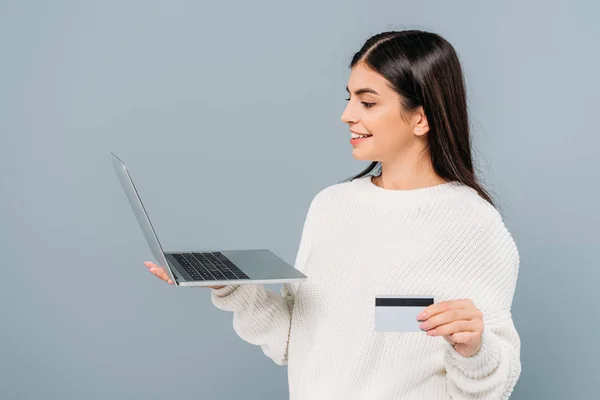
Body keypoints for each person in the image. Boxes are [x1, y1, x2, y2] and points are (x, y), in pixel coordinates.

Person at [144, 29, 521, 400]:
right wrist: (229, 283)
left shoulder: (472, 224)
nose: (346, 115)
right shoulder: (331, 206)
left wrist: (474, 348)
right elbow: (293, 340)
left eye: (367, 102)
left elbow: (491, 387)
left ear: (420, 118)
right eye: (349, 98)